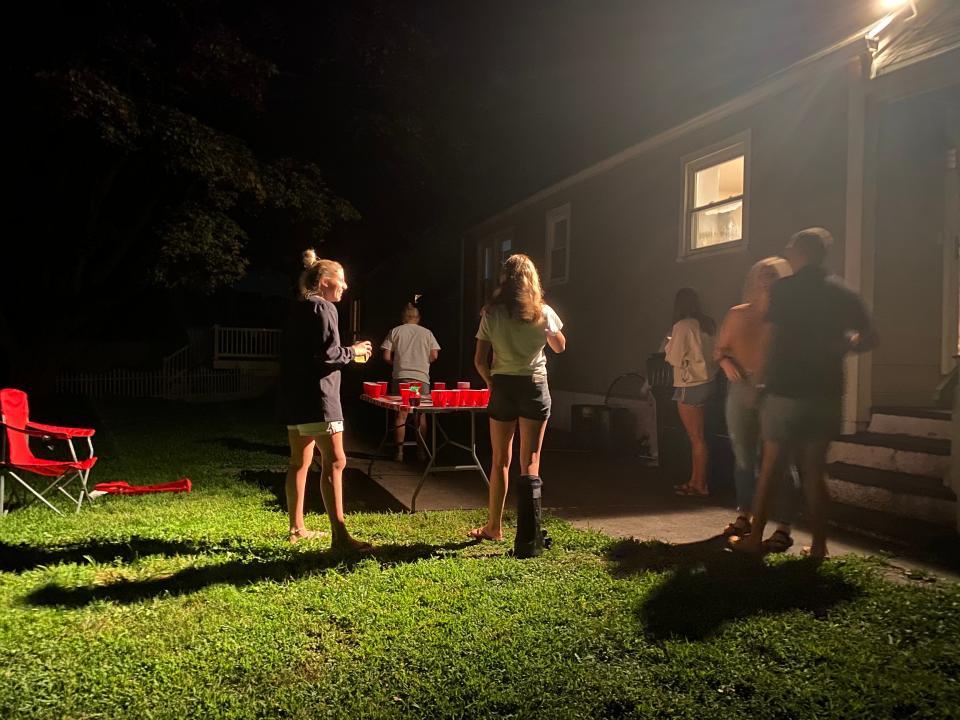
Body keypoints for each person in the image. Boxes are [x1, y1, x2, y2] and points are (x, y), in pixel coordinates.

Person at [737, 228, 877, 560]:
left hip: (785, 389)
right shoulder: (843, 293)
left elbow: (771, 338)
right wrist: (843, 345)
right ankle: (818, 547)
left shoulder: (785, 290)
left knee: (771, 465)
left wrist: (758, 383)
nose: (787, 249)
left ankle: (754, 539)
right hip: (825, 391)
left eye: (790, 245)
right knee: (814, 471)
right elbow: (871, 337)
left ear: (801, 251)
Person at [470, 254, 566, 556]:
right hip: (535, 386)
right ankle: (528, 533)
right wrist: (548, 330)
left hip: (503, 386)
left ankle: (494, 527)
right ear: (533, 280)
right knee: (530, 461)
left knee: (500, 460)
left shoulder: (492, 314)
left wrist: (490, 382)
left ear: (504, 280)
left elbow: (478, 360)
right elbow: (560, 346)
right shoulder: (544, 312)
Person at [277, 249, 373, 549]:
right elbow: (327, 356)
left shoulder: (298, 307)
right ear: (326, 281)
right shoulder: (323, 308)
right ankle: (341, 536)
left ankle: (297, 529)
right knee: (335, 462)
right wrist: (354, 352)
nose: (344, 286)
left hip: (295, 399)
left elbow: (305, 354)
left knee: (299, 463)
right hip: (320, 398)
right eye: (341, 280)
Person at [715, 257, 799, 552]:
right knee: (743, 456)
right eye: (762, 273)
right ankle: (744, 515)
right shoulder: (738, 314)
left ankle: (784, 527)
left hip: (777, 390)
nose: (767, 278)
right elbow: (720, 349)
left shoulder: (791, 317)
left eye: (773, 274)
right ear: (754, 278)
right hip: (741, 388)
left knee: (780, 459)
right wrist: (725, 362)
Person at [665, 288, 717, 497]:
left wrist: (669, 345)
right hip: (708, 381)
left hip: (689, 383)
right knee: (700, 435)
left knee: (695, 437)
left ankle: (699, 483)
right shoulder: (708, 325)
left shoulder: (682, 326)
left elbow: (674, 357)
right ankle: (696, 481)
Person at [381, 302, 440, 462]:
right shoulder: (427, 333)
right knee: (420, 415)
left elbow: (386, 356)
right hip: (420, 379)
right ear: (418, 318)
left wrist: (400, 364)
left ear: (403, 317)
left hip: (402, 378)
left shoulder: (395, 331)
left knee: (402, 415)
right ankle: (421, 452)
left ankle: (399, 452)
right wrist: (421, 363)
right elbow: (434, 355)